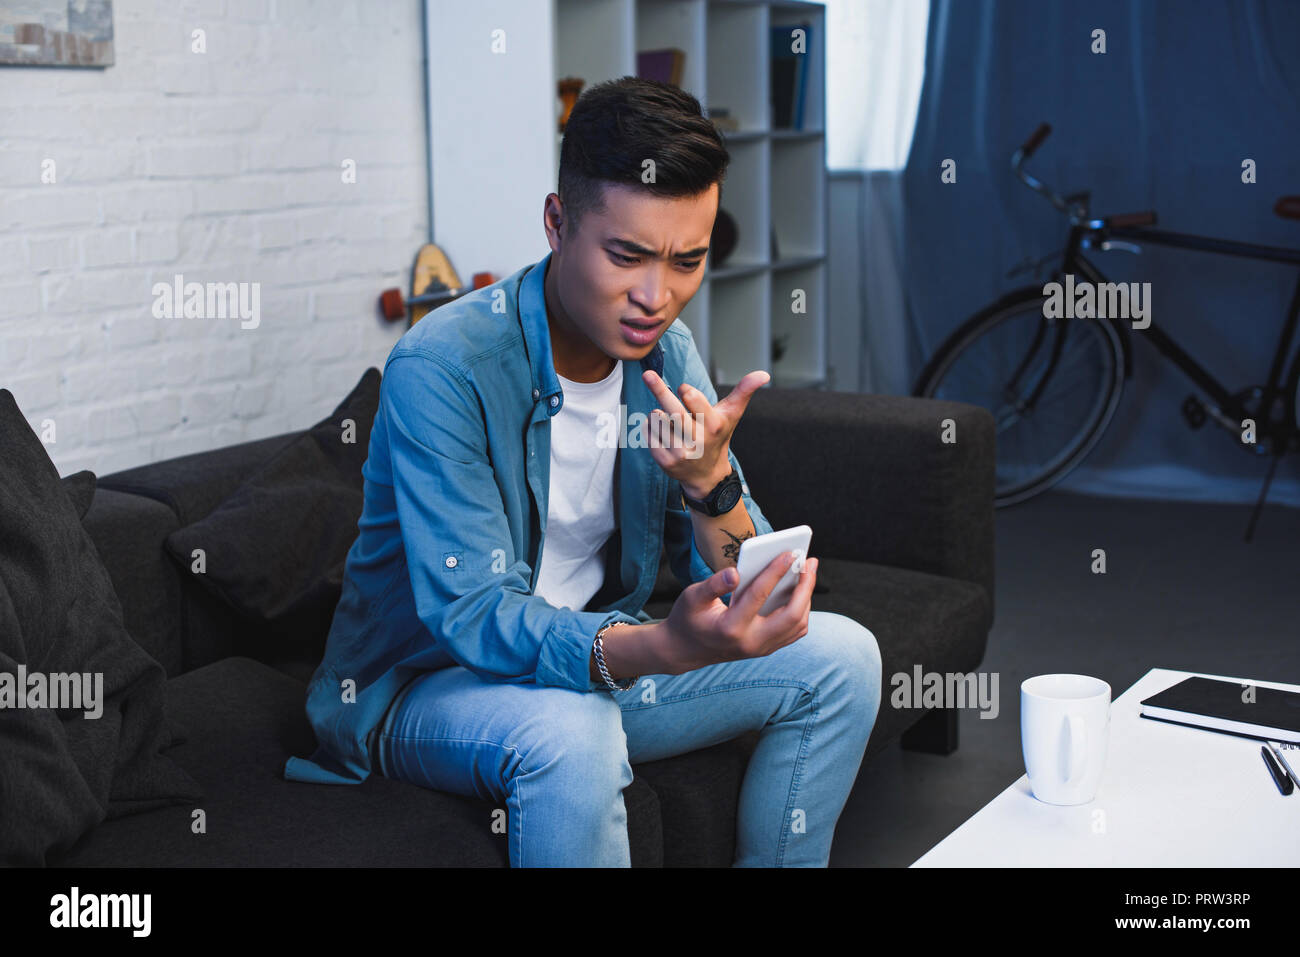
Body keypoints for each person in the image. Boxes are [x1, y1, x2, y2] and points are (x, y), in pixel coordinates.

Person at [284, 76, 882, 867]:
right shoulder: (444, 366)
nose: (656, 296)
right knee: (576, 730)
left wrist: (713, 483)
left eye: (687, 261)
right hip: (426, 687)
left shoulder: (664, 352)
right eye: (626, 255)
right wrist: (662, 646)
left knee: (845, 658)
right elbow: (470, 616)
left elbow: (751, 572)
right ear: (557, 222)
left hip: (594, 666)